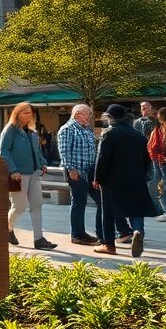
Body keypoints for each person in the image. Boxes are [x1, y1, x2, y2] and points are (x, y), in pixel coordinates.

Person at [92, 104, 157, 257]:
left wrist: (97, 178)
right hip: (136, 178)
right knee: (136, 209)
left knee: (109, 211)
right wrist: (143, 175)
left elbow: (102, 159)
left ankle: (109, 245)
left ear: (110, 117)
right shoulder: (138, 135)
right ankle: (137, 231)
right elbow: (147, 160)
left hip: (112, 180)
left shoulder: (109, 134)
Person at [0, 102, 55, 250]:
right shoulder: (10, 130)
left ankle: (39, 239)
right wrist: (12, 170)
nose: (29, 116)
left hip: (34, 173)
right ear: (17, 114)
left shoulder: (32, 132)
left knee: (37, 204)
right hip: (18, 175)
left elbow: (37, 151)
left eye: (31, 113)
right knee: (20, 206)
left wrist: (42, 163)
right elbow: (4, 151)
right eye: (26, 113)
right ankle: (7, 228)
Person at [57, 105, 102, 246]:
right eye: (88, 114)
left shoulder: (86, 129)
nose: (90, 117)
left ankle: (99, 233)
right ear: (78, 114)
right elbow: (64, 151)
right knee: (79, 202)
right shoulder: (67, 129)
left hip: (90, 172)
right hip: (76, 172)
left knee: (101, 200)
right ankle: (77, 234)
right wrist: (71, 169)